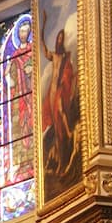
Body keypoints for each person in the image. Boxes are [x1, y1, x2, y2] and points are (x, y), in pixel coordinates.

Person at [40, 13, 76, 176]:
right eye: (59, 38)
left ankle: (68, 133)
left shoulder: (65, 56)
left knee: (61, 112)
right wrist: (42, 28)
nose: (60, 40)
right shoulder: (54, 55)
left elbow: (69, 73)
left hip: (61, 89)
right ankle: (61, 160)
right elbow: (43, 48)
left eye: (62, 37)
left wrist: (67, 80)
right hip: (52, 92)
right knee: (56, 125)